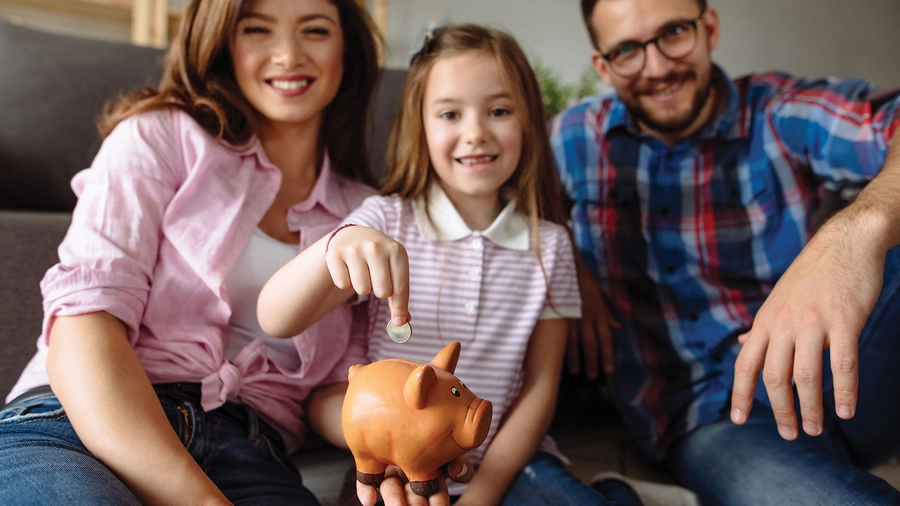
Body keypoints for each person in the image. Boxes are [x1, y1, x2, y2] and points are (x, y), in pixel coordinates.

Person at [0, 0, 385, 504]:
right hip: (82, 422)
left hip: (251, 453)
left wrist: (392, 430)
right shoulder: (159, 136)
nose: (288, 54)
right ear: (224, 43)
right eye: (256, 29)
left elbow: (341, 389)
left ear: (347, 49)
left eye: (314, 30)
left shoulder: (371, 216)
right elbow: (83, 328)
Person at [258, 23, 644, 506]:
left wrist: (482, 493)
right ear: (421, 125)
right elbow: (275, 317)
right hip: (393, 473)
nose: (475, 132)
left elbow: (541, 387)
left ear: (528, 121)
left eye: (499, 111)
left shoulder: (550, 246)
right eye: (450, 113)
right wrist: (339, 244)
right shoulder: (383, 222)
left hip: (511, 464)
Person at [551, 0, 900, 504]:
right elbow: (500, 202)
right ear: (603, 66)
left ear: (708, 27)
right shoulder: (571, 138)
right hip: (709, 419)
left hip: (834, 367)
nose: (657, 66)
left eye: (673, 32)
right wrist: (564, 255)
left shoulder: (778, 110)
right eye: (628, 49)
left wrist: (855, 230)